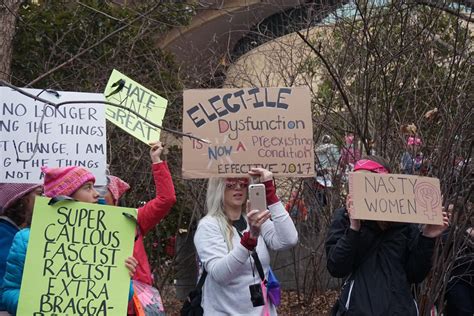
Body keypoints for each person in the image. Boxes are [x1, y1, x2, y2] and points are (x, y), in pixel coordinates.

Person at [1, 166, 136, 315]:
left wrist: (125, 277)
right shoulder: (26, 239)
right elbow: (9, 293)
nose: (97, 194)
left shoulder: (107, 242)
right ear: (67, 196)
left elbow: (120, 299)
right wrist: (36, 303)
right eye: (88, 188)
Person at [326, 156, 450, 315]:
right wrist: (354, 228)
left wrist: (428, 236)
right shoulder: (344, 217)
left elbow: (415, 274)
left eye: (366, 182)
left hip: (399, 310)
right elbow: (336, 267)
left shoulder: (404, 219)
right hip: (356, 309)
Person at [194, 167, 298, 315]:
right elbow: (220, 274)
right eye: (230, 183)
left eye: (243, 182)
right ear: (218, 187)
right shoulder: (208, 225)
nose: (238, 187)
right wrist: (250, 240)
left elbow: (289, 239)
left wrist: (270, 193)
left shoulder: (253, 218)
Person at [97, 141, 176, 315]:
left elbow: (166, 199)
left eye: (103, 189)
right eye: (91, 188)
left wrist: (157, 161)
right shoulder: (72, 225)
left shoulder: (132, 220)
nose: (97, 194)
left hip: (136, 307)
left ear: (114, 196)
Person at [0, 183, 42, 315]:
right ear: (23, 200)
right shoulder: (4, 235)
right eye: (40, 194)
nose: (46, 199)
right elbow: (6, 293)